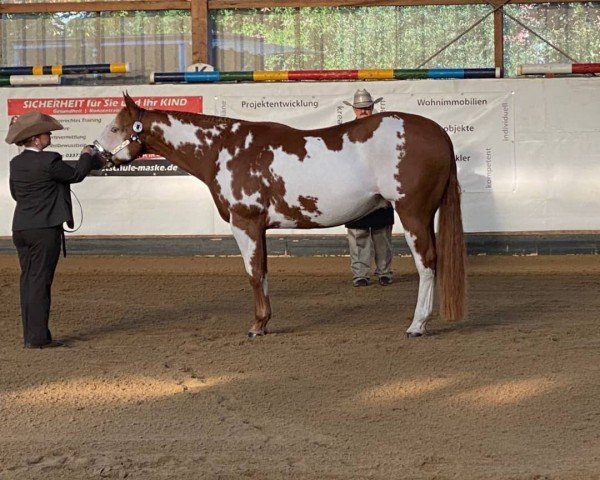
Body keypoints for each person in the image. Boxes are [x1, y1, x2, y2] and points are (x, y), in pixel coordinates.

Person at [5, 111, 105, 349]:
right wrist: (86, 154)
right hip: (44, 229)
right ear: (35, 139)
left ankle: (32, 335)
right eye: (46, 134)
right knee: (40, 282)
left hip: (21, 228)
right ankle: (39, 338)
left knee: (29, 282)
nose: (49, 136)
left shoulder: (16, 163)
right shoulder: (49, 160)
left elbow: (16, 194)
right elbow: (77, 174)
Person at [343, 89, 394, 287]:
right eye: (360, 108)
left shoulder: (383, 132)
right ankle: (360, 274)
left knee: (382, 235)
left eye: (367, 108)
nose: (363, 111)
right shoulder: (345, 133)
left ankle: (385, 271)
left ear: (372, 108)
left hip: (380, 190)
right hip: (356, 190)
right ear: (354, 110)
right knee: (358, 234)